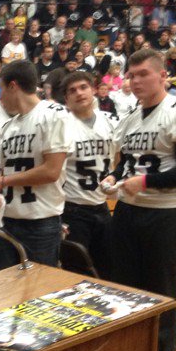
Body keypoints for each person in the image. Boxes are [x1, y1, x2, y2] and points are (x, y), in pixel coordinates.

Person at [102, 48, 176, 351]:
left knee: (164, 292)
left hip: (168, 214)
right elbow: (128, 164)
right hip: (129, 212)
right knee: (124, 291)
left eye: (143, 74)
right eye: (131, 75)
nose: (135, 81)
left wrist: (146, 183)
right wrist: (113, 176)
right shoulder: (130, 117)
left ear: (163, 76)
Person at [0, 60, 71, 270]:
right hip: (6, 220)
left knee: (37, 295)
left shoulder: (54, 114)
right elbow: (2, 173)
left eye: (1, 89)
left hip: (41, 222)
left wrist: (3, 181)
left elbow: (51, 171)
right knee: (3, 294)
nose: (0, 97)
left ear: (13, 86)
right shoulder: (7, 127)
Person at [59, 72, 118, 278]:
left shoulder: (110, 121)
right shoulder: (61, 125)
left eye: (83, 87)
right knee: (76, 273)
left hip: (102, 207)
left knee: (108, 269)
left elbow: (119, 157)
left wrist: (114, 177)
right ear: (66, 99)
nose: (79, 93)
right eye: (72, 91)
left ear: (93, 89)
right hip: (73, 209)